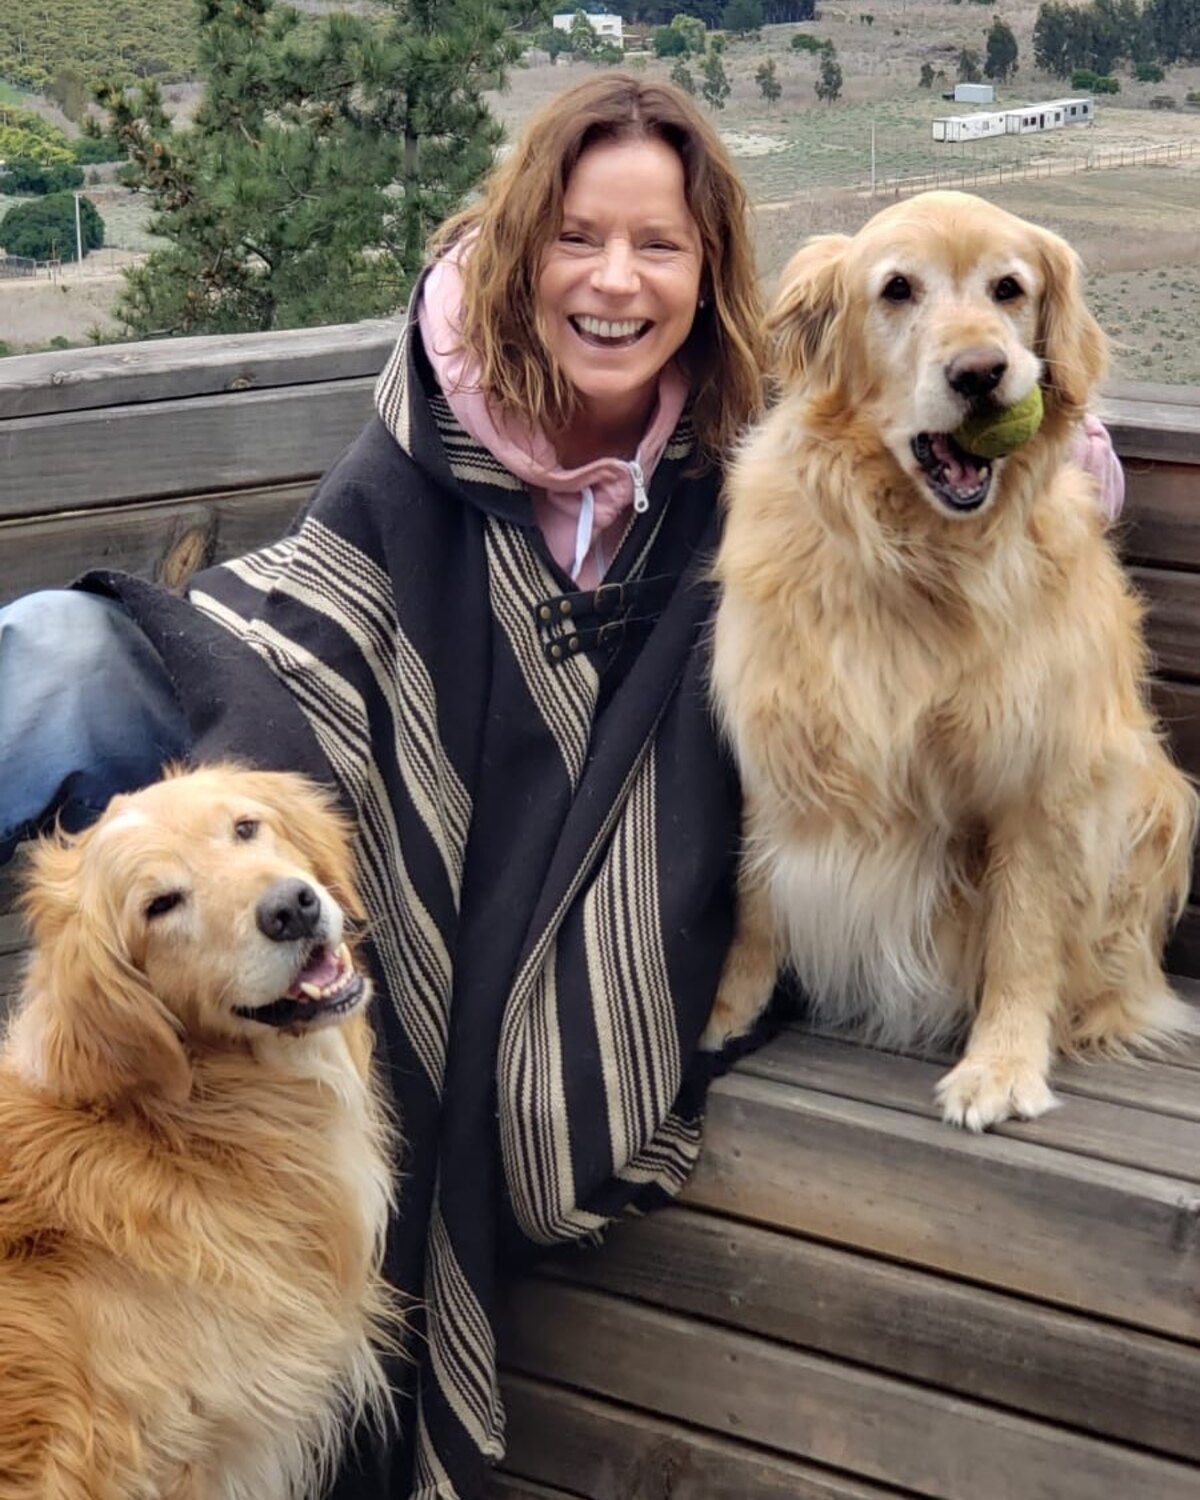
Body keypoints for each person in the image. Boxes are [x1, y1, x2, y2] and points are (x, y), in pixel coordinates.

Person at [0, 74, 1124, 1499]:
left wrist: (1053, 442)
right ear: (522, 247)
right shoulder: (434, 416)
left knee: (534, 1101)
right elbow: (344, 601)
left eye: (659, 245)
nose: (615, 280)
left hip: (618, 836)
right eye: (578, 238)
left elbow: (986, 437)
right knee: (62, 656)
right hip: (420, 794)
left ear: (708, 270)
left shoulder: (747, 430)